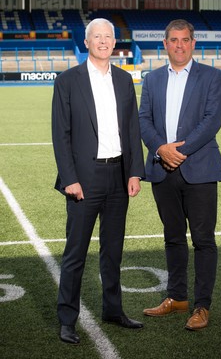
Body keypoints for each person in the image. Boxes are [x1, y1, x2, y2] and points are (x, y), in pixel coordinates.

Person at [52, 18, 145, 344]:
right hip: (84, 180)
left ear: (114, 42)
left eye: (109, 36)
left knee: (112, 251)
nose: (104, 41)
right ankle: (67, 318)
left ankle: (113, 310)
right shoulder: (67, 81)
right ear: (87, 42)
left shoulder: (123, 79)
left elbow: (132, 129)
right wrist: (70, 180)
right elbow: (61, 135)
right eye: (97, 37)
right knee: (75, 253)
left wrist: (135, 171)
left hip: (118, 176)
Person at [139, 19, 221, 330]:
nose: (179, 45)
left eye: (184, 40)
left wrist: (179, 151)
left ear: (193, 43)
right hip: (163, 171)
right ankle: (176, 298)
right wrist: (161, 149)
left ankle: (202, 306)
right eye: (173, 40)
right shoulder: (151, 79)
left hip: (200, 170)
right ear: (165, 44)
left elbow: (212, 120)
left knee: (203, 240)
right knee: (172, 238)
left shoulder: (212, 76)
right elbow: (143, 119)